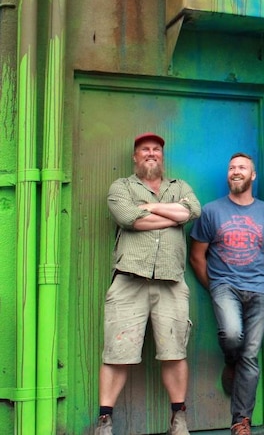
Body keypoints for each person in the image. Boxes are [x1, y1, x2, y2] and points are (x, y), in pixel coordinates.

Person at [96, 132, 201, 435]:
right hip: (129, 280)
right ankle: (105, 421)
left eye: (156, 149)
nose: (151, 153)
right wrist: (173, 213)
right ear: (135, 156)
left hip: (171, 282)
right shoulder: (122, 187)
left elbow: (193, 211)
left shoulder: (179, 186)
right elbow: (128, 218)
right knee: (117, 353)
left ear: (162, 156)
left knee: (175, 352)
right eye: (145, 150)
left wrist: (151, 207)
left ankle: (178, 420)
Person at [189, 152, 264, 435]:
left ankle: (240, 420)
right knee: (232, 335)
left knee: (251, 355)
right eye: (231, 168)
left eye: (242, 167)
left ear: (252, 175)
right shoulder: (211, 211)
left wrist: (256, 280)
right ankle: (230, 361)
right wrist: (216, 287)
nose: (236, 171)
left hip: (258, 289)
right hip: (224, 286)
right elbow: (197, 256)